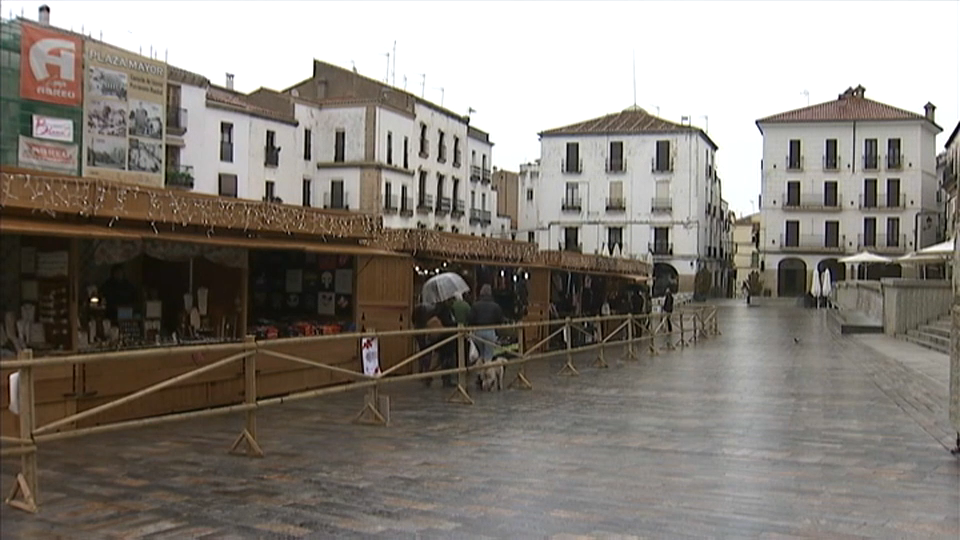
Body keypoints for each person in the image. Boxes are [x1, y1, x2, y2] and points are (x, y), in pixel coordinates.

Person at [426, 298, 459, 388]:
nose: (453, 302)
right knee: (443, 360)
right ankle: (441, 378)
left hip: (448, 339)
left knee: (442, 360)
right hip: (445, 339)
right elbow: (446, 323)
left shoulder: (447, 309)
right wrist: (454, 325)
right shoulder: (443, 310)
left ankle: (442, 378)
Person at [468, 284, 504, 363]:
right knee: (488, 354)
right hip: (490, 330)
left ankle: (480, 372)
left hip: (478, 331)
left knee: (480, 354)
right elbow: (500, 319)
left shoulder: (475, 305)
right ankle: (488, 372)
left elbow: (470, 319)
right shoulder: (495, 306)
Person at [412, 303, 437, 386]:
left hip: (417, 331)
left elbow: (413, 319)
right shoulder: (431, 310)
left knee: (421, 350)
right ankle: (426, 371)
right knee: (428, 352)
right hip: (426, 332)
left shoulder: (417, 308)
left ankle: (421, 369)